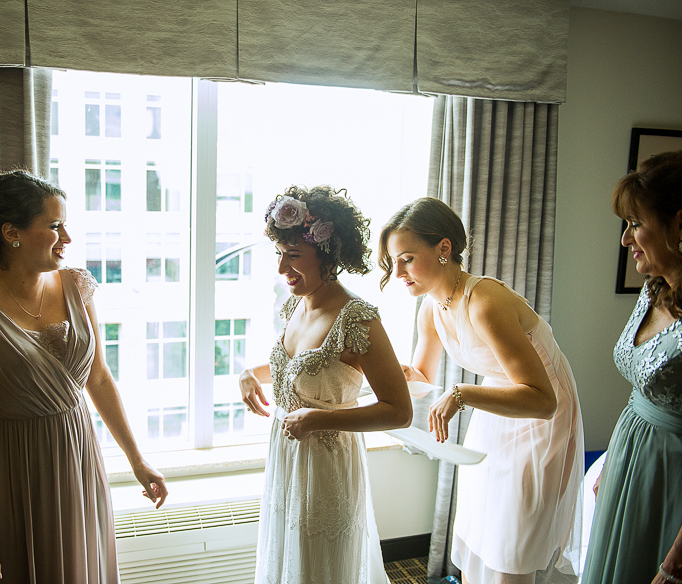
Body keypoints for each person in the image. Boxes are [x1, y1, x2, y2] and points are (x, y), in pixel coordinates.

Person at [0, 170, 167, 584]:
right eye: (55, 225)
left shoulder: (77, 286)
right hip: (7, 469)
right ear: (12, 233)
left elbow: (98, 379)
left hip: (77, 460)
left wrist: (137, 459)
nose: (68, 238)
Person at [378, 197, 584, 584]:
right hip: (496, 412)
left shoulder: (485, 302)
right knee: (481, 527)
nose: (399, 272)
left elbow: (542, 399)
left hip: (540, 414)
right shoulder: (431, 308)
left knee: (512, 537)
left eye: (406, 258)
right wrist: (387, 373)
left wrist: (461, 395)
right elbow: (421, 377)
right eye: (393, 263)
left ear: (444, 248)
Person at [239, 185, 413, 584]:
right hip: (286, 458)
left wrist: (317, 421)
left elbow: (400, 411)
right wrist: (250, 372)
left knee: (319, 567)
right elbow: (297, 369)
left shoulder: (357, 319)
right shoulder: (295, 303)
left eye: (294, 255)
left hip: (326, 466)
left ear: (328, 254)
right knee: (287, 558)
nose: (283, 267)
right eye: (279, 254)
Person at [582, 151, 682, 584]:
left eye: (636, 224)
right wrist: (613, 461)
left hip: (672, 482)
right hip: (629, 460)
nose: (625, 239)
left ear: (680, 225)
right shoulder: (652, 290)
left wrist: (675, 562)